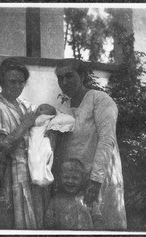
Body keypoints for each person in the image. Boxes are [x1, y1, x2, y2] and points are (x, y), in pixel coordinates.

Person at [54, 58, 127, 230]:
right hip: (75, 179)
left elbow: (107, 139)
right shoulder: (64, 107)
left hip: (99, 176)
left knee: (102, 223)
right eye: (60, 78)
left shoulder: (100, 100)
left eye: (69, 76)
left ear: (82, 75)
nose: (64, 82)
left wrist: (95, 180)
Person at [0, 58, 51, 229]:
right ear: (1, 81)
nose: (16, 86)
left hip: (34, 172)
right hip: (14, 176)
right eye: (12, 81)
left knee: (37, 220)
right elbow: (1, 147)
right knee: (20, 222)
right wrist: (25, 125)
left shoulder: (25, 105)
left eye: (21, 82)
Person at [44, 159, 104, 230]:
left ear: (82, 179)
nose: (70, 181)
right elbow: (48, 221)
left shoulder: (87, 198)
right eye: (66, 177)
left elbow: (97, 218)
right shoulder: (55, 200)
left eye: (75, 178)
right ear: (60, 177)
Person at [28, 104, 75, 187]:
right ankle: (40, 176)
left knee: (35, 158)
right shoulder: (46, 119)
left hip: (39, 140)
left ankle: (38, 177)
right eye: (38, 108)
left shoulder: (43, 118)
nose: (38, 110)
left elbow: (32, 122)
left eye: (41, 109)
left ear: (49, 114)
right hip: (40, 138)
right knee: (39, 159)